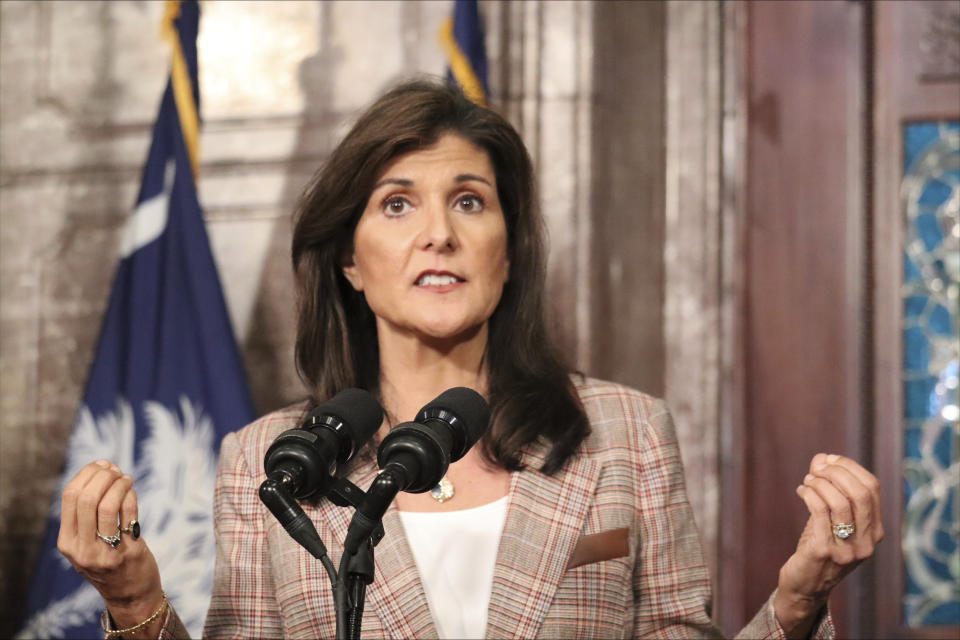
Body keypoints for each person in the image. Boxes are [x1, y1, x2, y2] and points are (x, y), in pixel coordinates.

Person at [56, 78, 883, 639]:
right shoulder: (268, 462)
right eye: (396, 204)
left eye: (469, 201)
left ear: (508, 249)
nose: (439, 234)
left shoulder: (625, 432)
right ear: (350, 260)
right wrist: (135, 600)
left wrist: (798, 599)